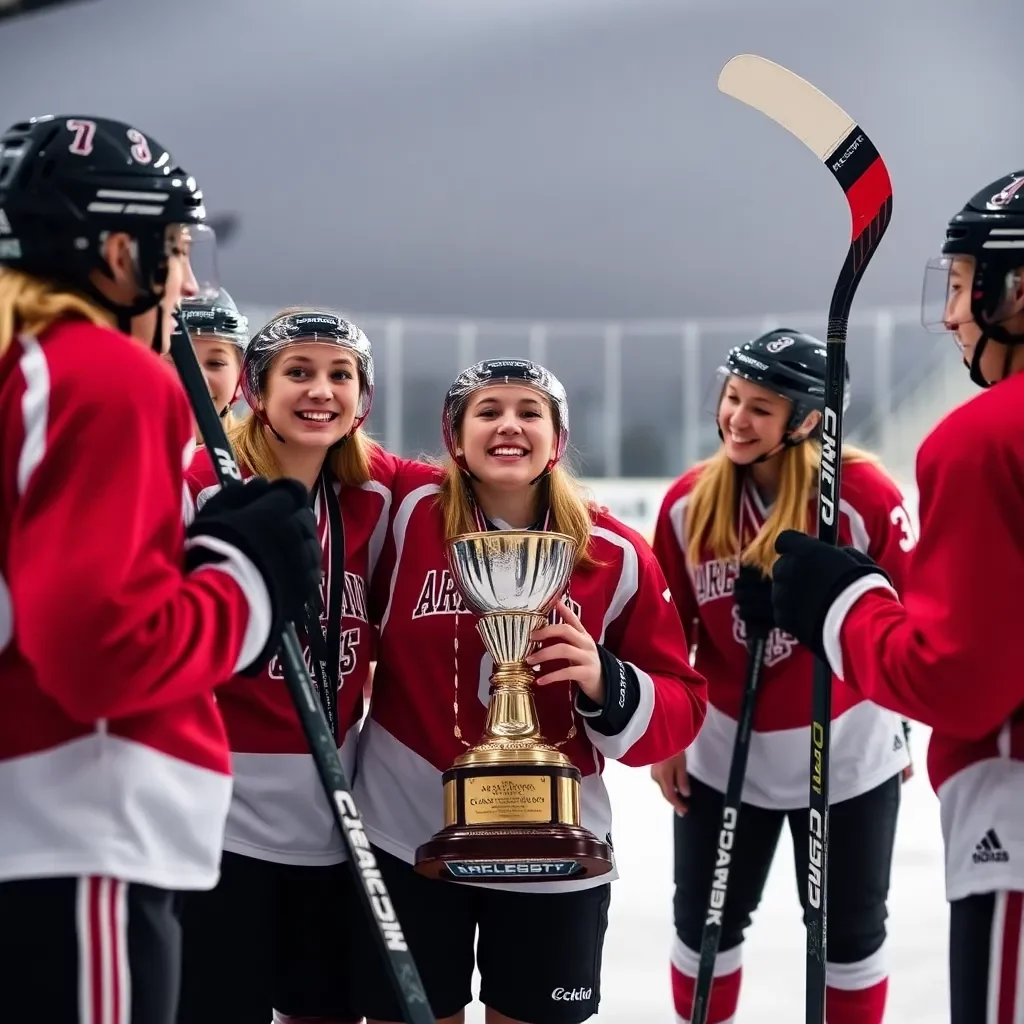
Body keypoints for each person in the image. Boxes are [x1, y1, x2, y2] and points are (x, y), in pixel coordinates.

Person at [0, 116, 322, 1024]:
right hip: (78, 841)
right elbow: (102, 653)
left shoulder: (17, 374)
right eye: (176, 251)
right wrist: (244, 583)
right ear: (115, 252)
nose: (187, 285)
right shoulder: (102, 372)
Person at [349, 357, 708, 1024]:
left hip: (556, 847)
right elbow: (321, 430)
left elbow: (682, 703)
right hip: (406, 834)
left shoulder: (614, 552)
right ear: (454, 437)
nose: (508, 426)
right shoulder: (405, 511)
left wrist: (606, 679)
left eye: (528, 413)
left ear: (557, 440)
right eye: (488, 411)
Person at [769, 173, 1024, 1023]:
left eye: (959, 286)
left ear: (1015, 291)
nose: (952, 314)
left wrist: (840, 606)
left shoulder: (986, 437)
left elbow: (961, 681)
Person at [650, 330, 915, 1024]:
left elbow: (911, 617)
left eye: (760, 407)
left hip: (848, 751)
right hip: (723, 749)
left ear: (808, 422)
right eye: (732, 398)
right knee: (704, 925)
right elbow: (667, 639)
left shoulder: (863, 498)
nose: (735, 418)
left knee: (849, 936)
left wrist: (899, 715)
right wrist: (670, 739)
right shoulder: (687, 504)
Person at [177, 307, 398, 1024]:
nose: (320, 390)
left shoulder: (381, 493)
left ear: (361, 399)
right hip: (219, 819)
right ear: (256, 389)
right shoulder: (202, 484)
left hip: (336, 825)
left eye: (340, 375)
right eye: (298, 372)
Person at [175, 286, 249, 437]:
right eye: (178, 362)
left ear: (240, 378)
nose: (197, 379)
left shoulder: (262, 459)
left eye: (215, 363)